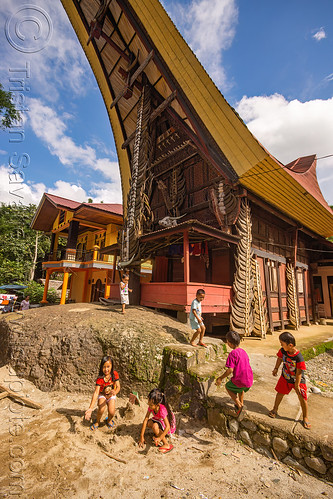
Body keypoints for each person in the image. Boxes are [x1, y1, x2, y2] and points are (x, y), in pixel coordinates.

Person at [268, 331, 310, 429]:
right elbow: (279, 358)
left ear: (290, 345)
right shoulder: (283, 351)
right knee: (279, 393)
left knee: (302, 398)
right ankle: (275, 410)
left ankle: (305, 417)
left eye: (282, 344)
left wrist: (297, 384)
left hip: (298, 380)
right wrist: (276, 368)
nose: (281, 346)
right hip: (285, 377)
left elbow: (299, 372)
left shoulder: (299, 357)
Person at [215, 330, 253, 416]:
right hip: (249, 379)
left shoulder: (233, 354)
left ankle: (239, 406)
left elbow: (230, 370)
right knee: (241, 389)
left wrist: (220, 378)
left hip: (241, 380)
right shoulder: (243, 352)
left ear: (230, 343)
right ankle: (241, 403)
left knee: (228, 386)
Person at [85, 355, 120, 430]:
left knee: (112, 412)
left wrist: (115, 392)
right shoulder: (100, 378)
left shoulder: (114, 374)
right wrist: (90, 408)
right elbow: (96, 392)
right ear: (101, 367)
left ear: (111, 366)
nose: (106, 369)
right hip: (102, 395)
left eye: (108, 367)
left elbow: (118, 387)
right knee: (101, 409)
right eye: (104, 367)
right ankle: (97, 421)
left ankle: (109, 420)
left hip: (111, 395)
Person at [138, 388, 176, 454]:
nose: (149, 406)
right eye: (148, 404)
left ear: (157, 404)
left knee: (155, 427)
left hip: (166, 423)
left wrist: (160, 438)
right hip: (158, 419)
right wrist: (142, 436)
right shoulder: (151, 406)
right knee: (149, 423)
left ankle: (166, 444)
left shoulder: (162, 410)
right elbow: (145, 419)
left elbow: (168, 427)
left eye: (151, 405)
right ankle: (158, 433)